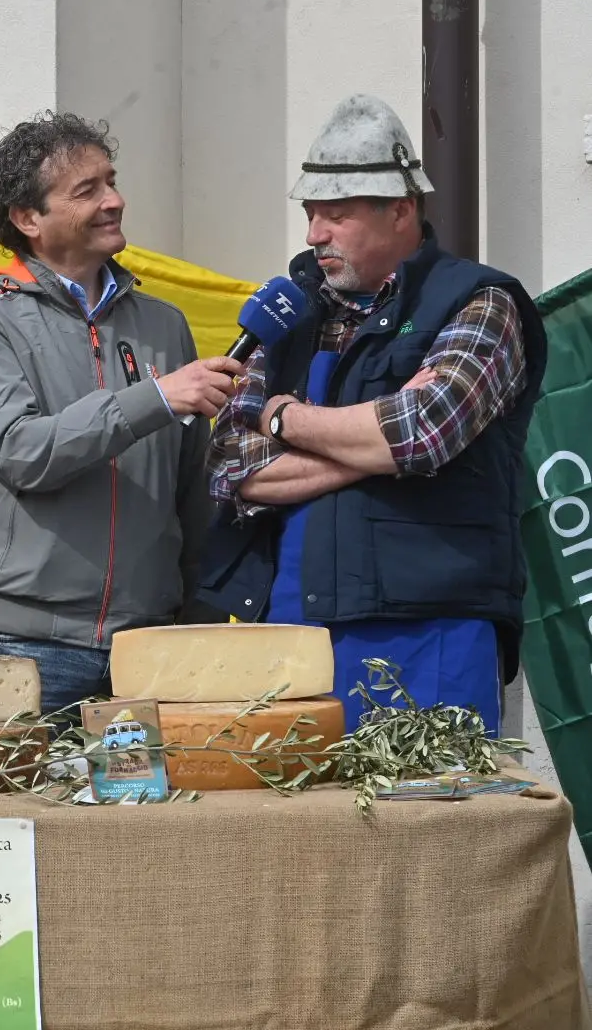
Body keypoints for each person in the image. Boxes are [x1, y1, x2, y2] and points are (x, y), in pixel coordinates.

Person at [199, 94, 544, 733]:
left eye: (335, 215)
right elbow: (230, 468)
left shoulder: (480, 302)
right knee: (302, 833)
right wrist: (372, 442)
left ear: (401, 211)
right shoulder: (288, 313)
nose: (313, 236)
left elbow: (422, 433)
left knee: (434, 829)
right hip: (290, 632)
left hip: (431, 628)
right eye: (309, 215)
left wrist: (283, 418)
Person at [0, 112, 243, 714]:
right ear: (28, 219)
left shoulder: (164, 323)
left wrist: (198, 622)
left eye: (112, 181)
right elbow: (23, 452)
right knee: (34, 811)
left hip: (155, 643)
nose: (115, 200)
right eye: (88, 190)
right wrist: (154, 399)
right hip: (29, 646)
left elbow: (194, 492)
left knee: (166, 813)